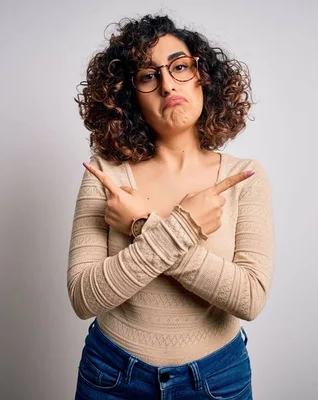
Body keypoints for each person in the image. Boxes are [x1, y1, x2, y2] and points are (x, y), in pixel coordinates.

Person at [68, 14, 274, 399]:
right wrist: (182, 228)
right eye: (148, 76)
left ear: (203, 76)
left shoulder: (245, 177)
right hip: (112, 376)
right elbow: (84, 298)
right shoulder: (107, 174)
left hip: (217, 378)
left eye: (179, 67)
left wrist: (142, 226)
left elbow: (249, 298)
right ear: (128, 96)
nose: (167, 84)